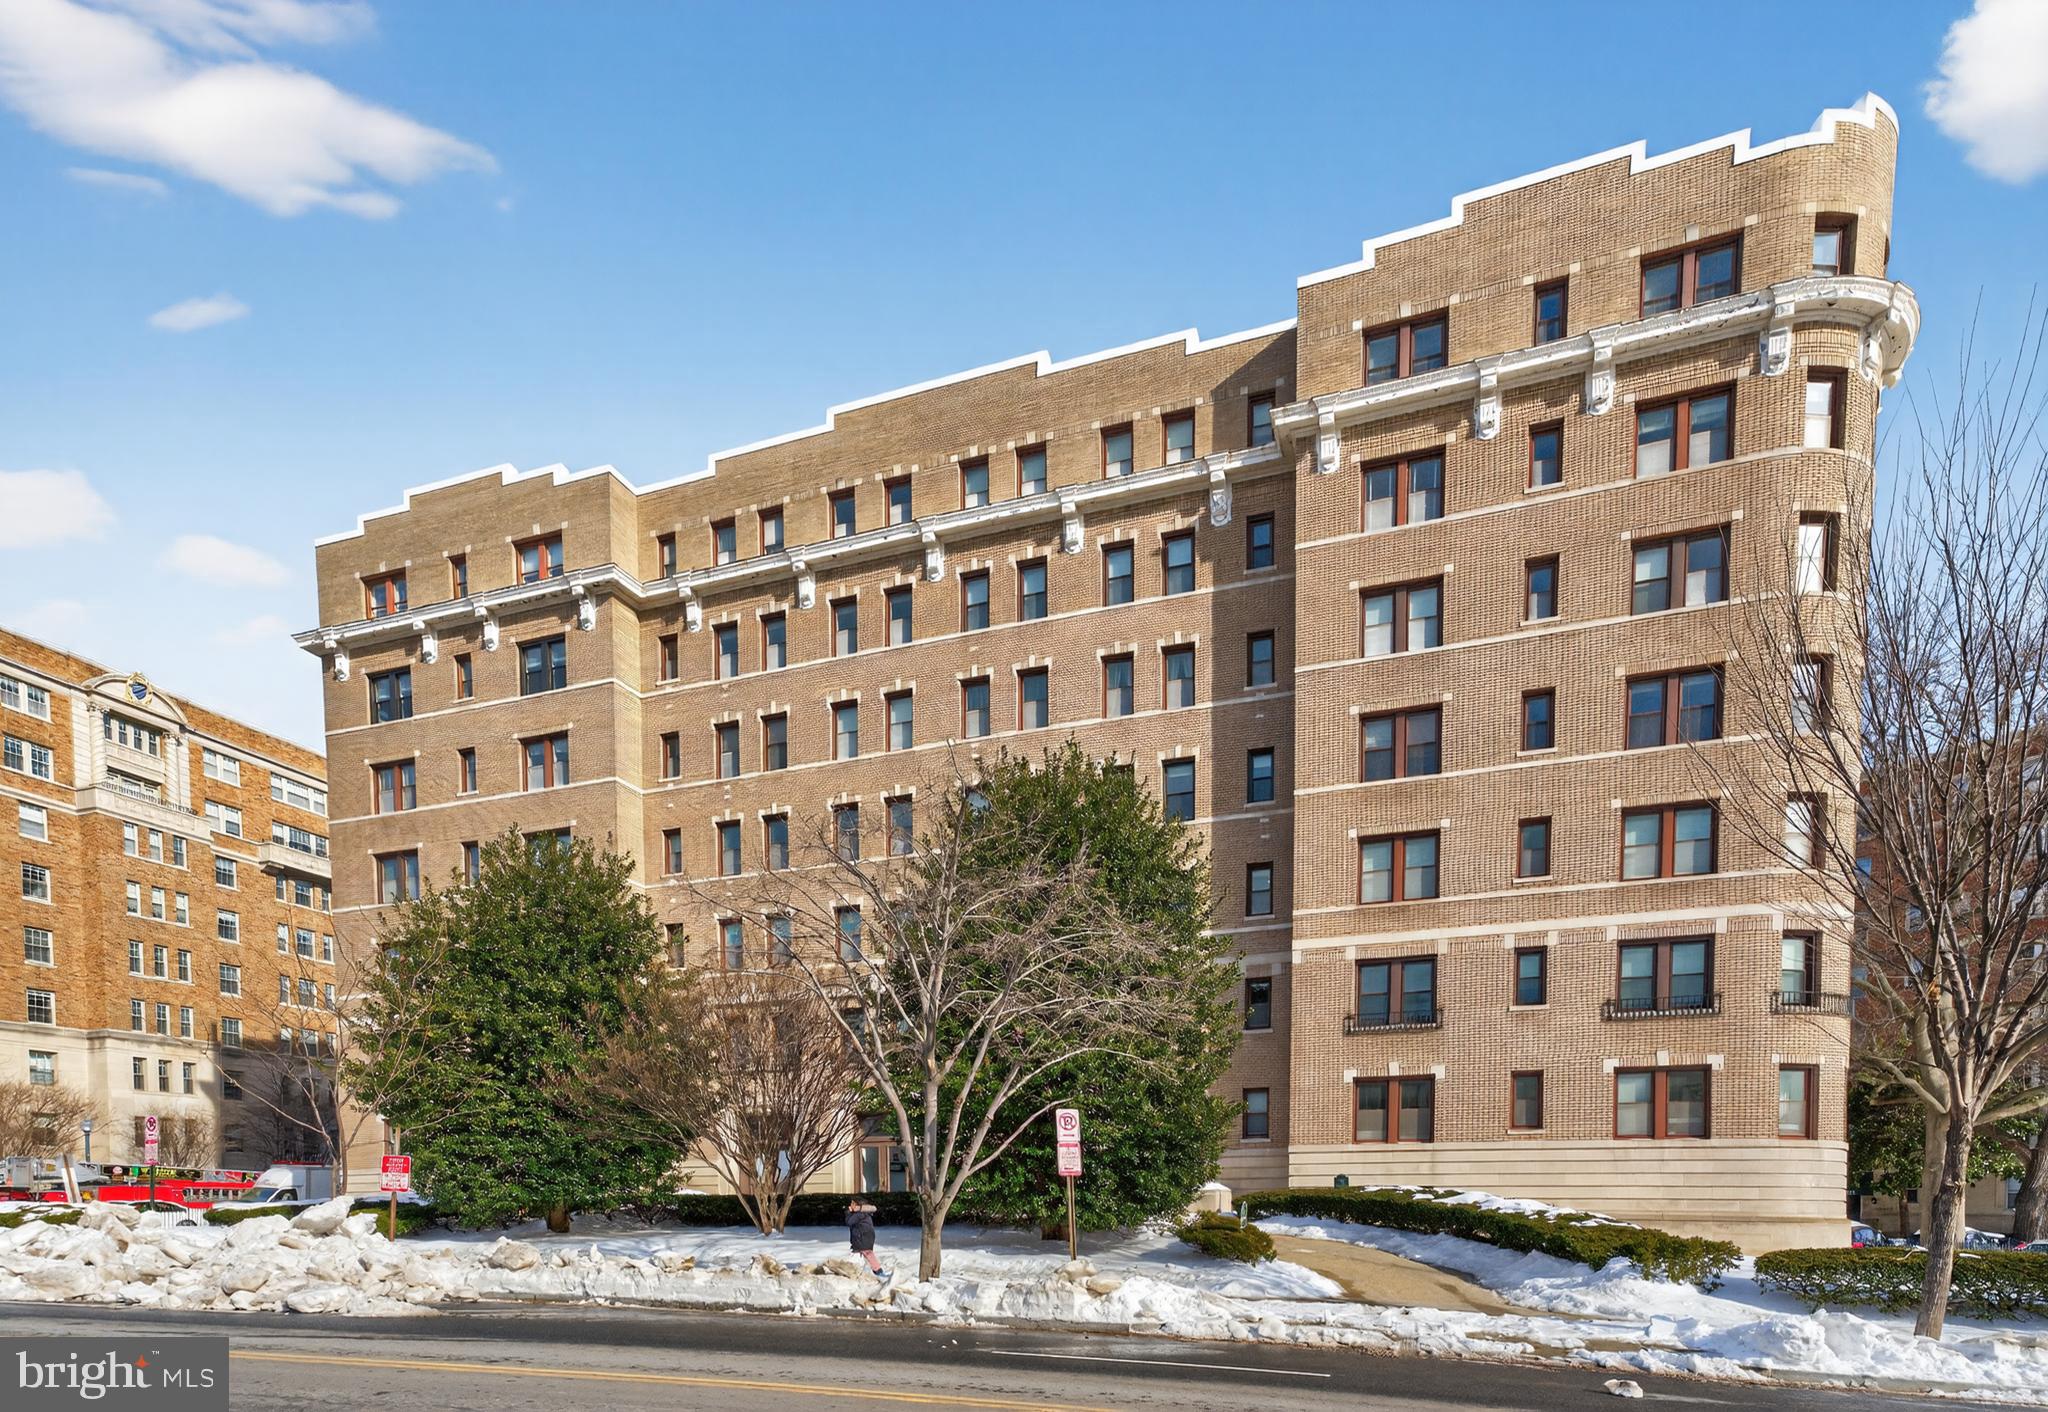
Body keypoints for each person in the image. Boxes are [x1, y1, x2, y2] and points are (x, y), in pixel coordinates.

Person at [846, 1199, 887, 1280]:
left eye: (853, 1203)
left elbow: (849, 1221)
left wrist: (848, 1212)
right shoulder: (863, 1213)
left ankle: (878, 1271)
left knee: (865, 1253)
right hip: (865, 1238)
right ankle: (875, 1270)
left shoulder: (859, 1214)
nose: (850, 1205)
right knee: (866, 1254)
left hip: (862, 1238)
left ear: (858, 1205)